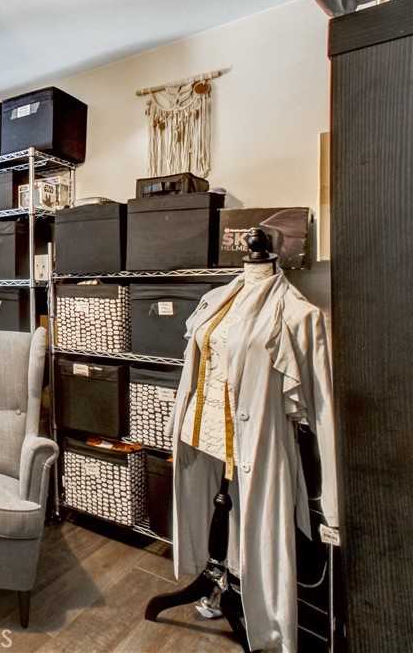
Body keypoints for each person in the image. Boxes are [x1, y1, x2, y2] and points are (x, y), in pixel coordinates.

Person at [167, 229, 337, 653]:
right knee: (211, 513)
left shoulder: (298, 315)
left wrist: (332, 510)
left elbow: (325, 414)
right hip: (201, 433)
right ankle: (213, 578)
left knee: (260, 536)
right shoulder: (217, 299)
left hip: (251, 442)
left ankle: (261, 622)